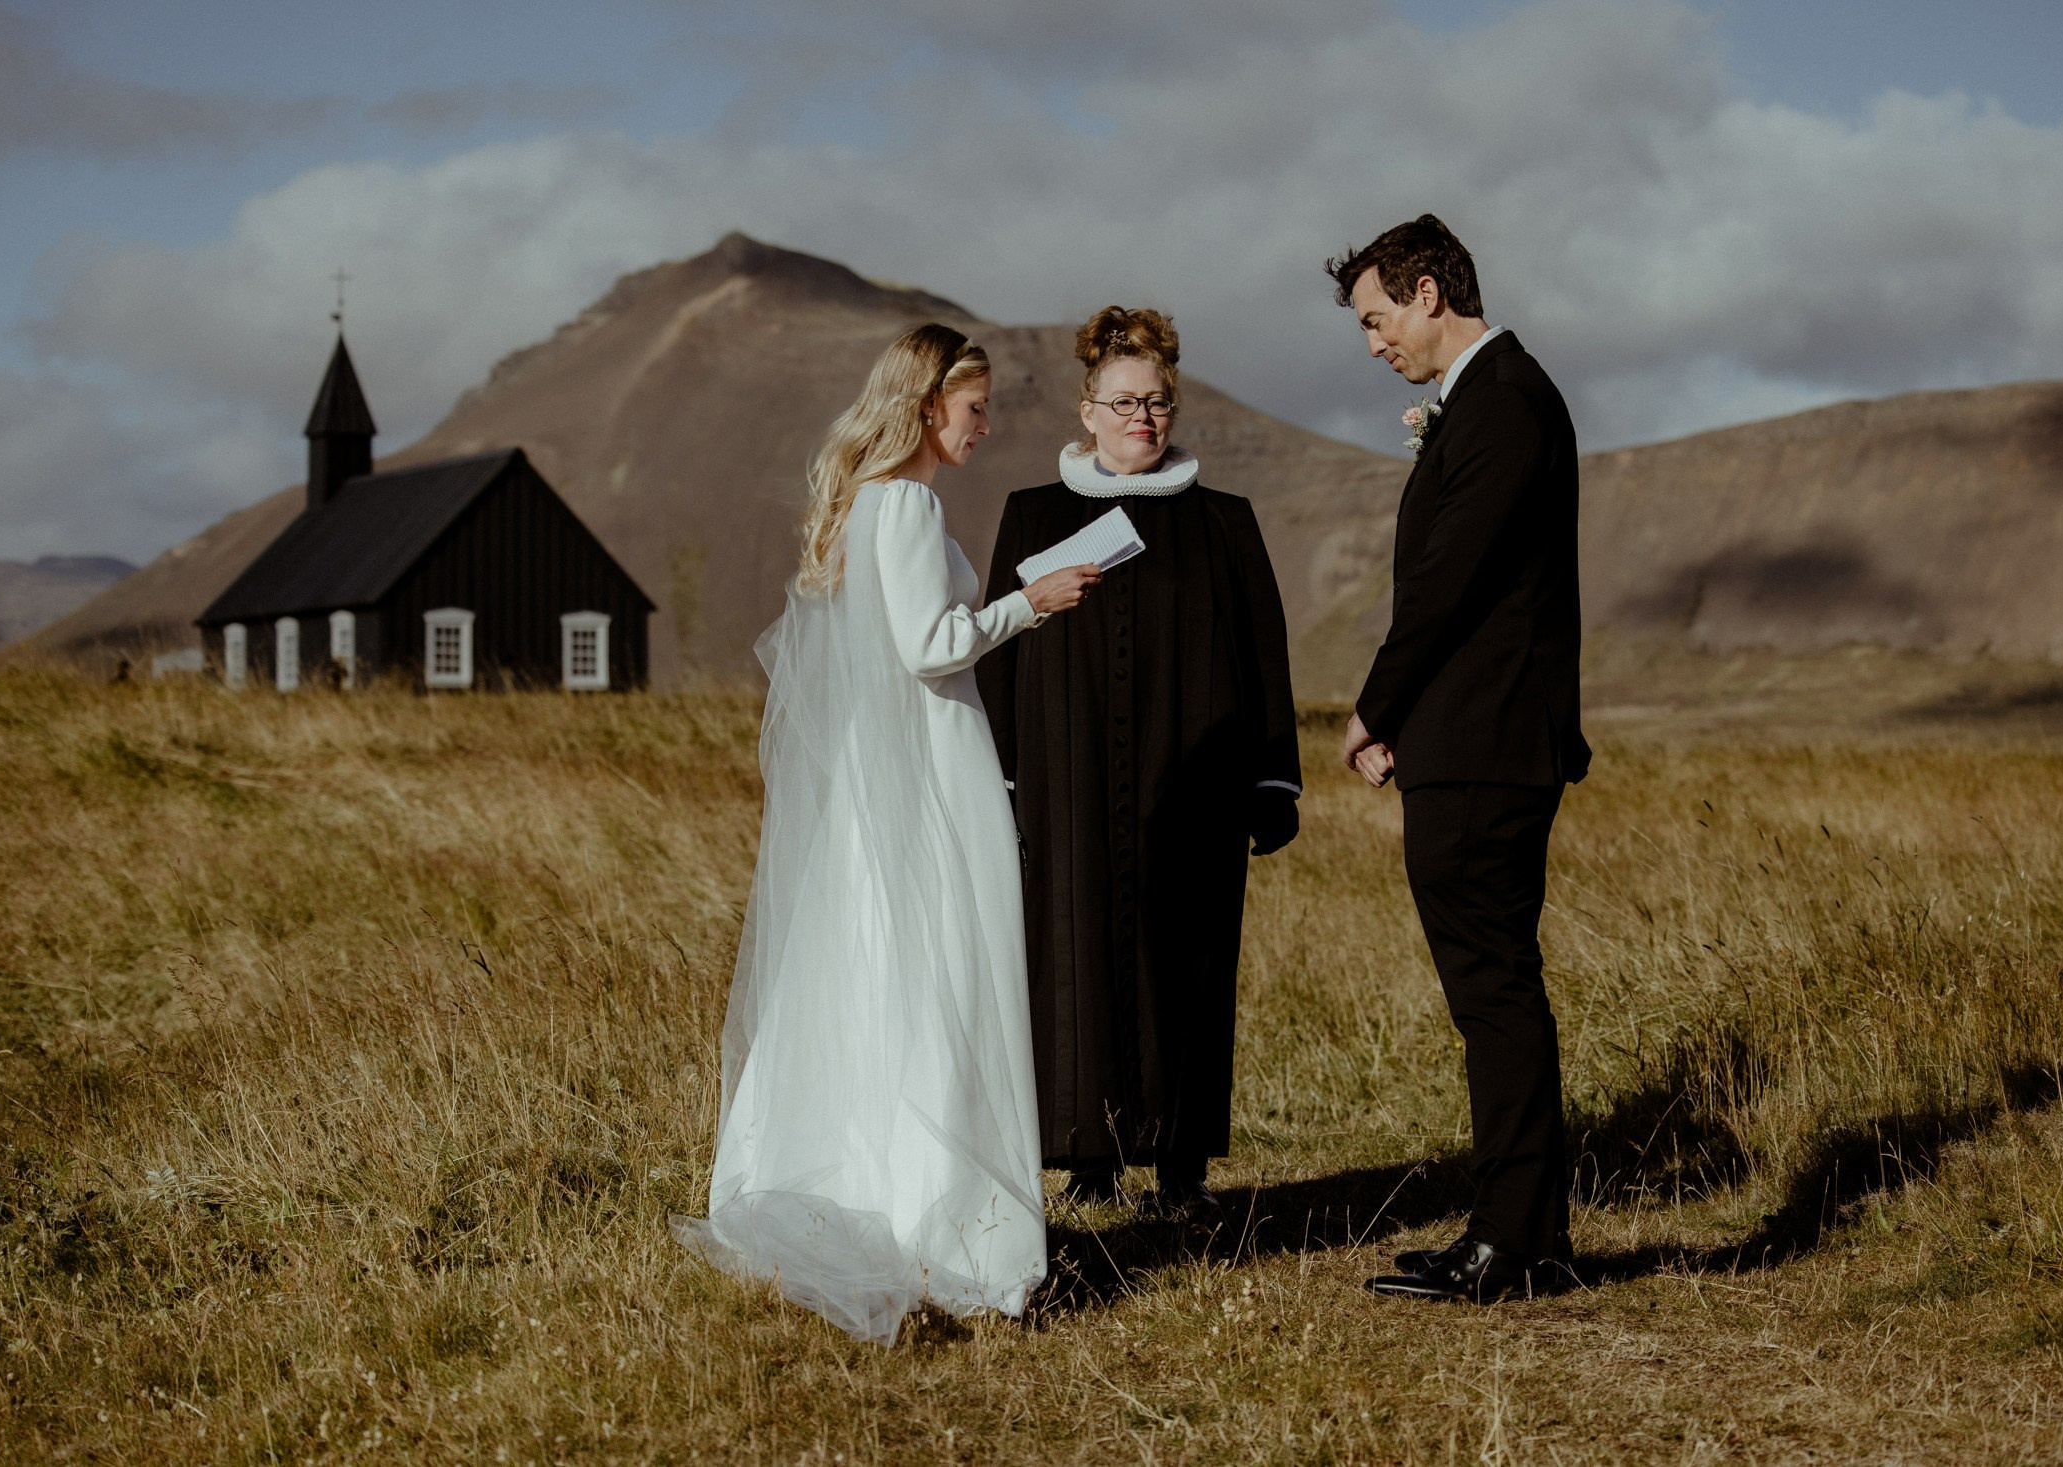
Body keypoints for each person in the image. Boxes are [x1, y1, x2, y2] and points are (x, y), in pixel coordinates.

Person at [670, 323, 1101, 1344]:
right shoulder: (904, 503)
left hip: (886, 773)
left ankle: (899, 1197)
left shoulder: (873, 505)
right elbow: (924, 648)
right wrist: (1028, 605)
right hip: (932, 766)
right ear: (925, 406)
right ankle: (952, 1228)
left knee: (886, 983)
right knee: (946, 980)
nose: (986, 426)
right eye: (975, 408)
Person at [977, 307, 1301, 1219]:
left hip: (1195, 786)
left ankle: (1183, 1162)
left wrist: (1275, 779)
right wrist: (998, 777)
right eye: (1123, 401)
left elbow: (1263, 654)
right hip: (1063, 784)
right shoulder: (1031, 516)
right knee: (1069, 955)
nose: (1142, 419)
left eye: (1156, 401)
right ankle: (1089, 1159)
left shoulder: (1225, 523)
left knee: (1188, 962)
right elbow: (999, 654)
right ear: (1086, 410)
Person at [1325, 216, 1591, 1303]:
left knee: (1492, 992)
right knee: (1494, 988)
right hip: (1471, 735)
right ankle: (1525, 1236)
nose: (1374, 342)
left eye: (1378, 318)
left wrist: (1372, 708)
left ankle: (1509, 1244)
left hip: (1482, 744)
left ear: (1429, 293)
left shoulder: (1502, 404)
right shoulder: (1488, 402)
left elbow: (1447, 582)